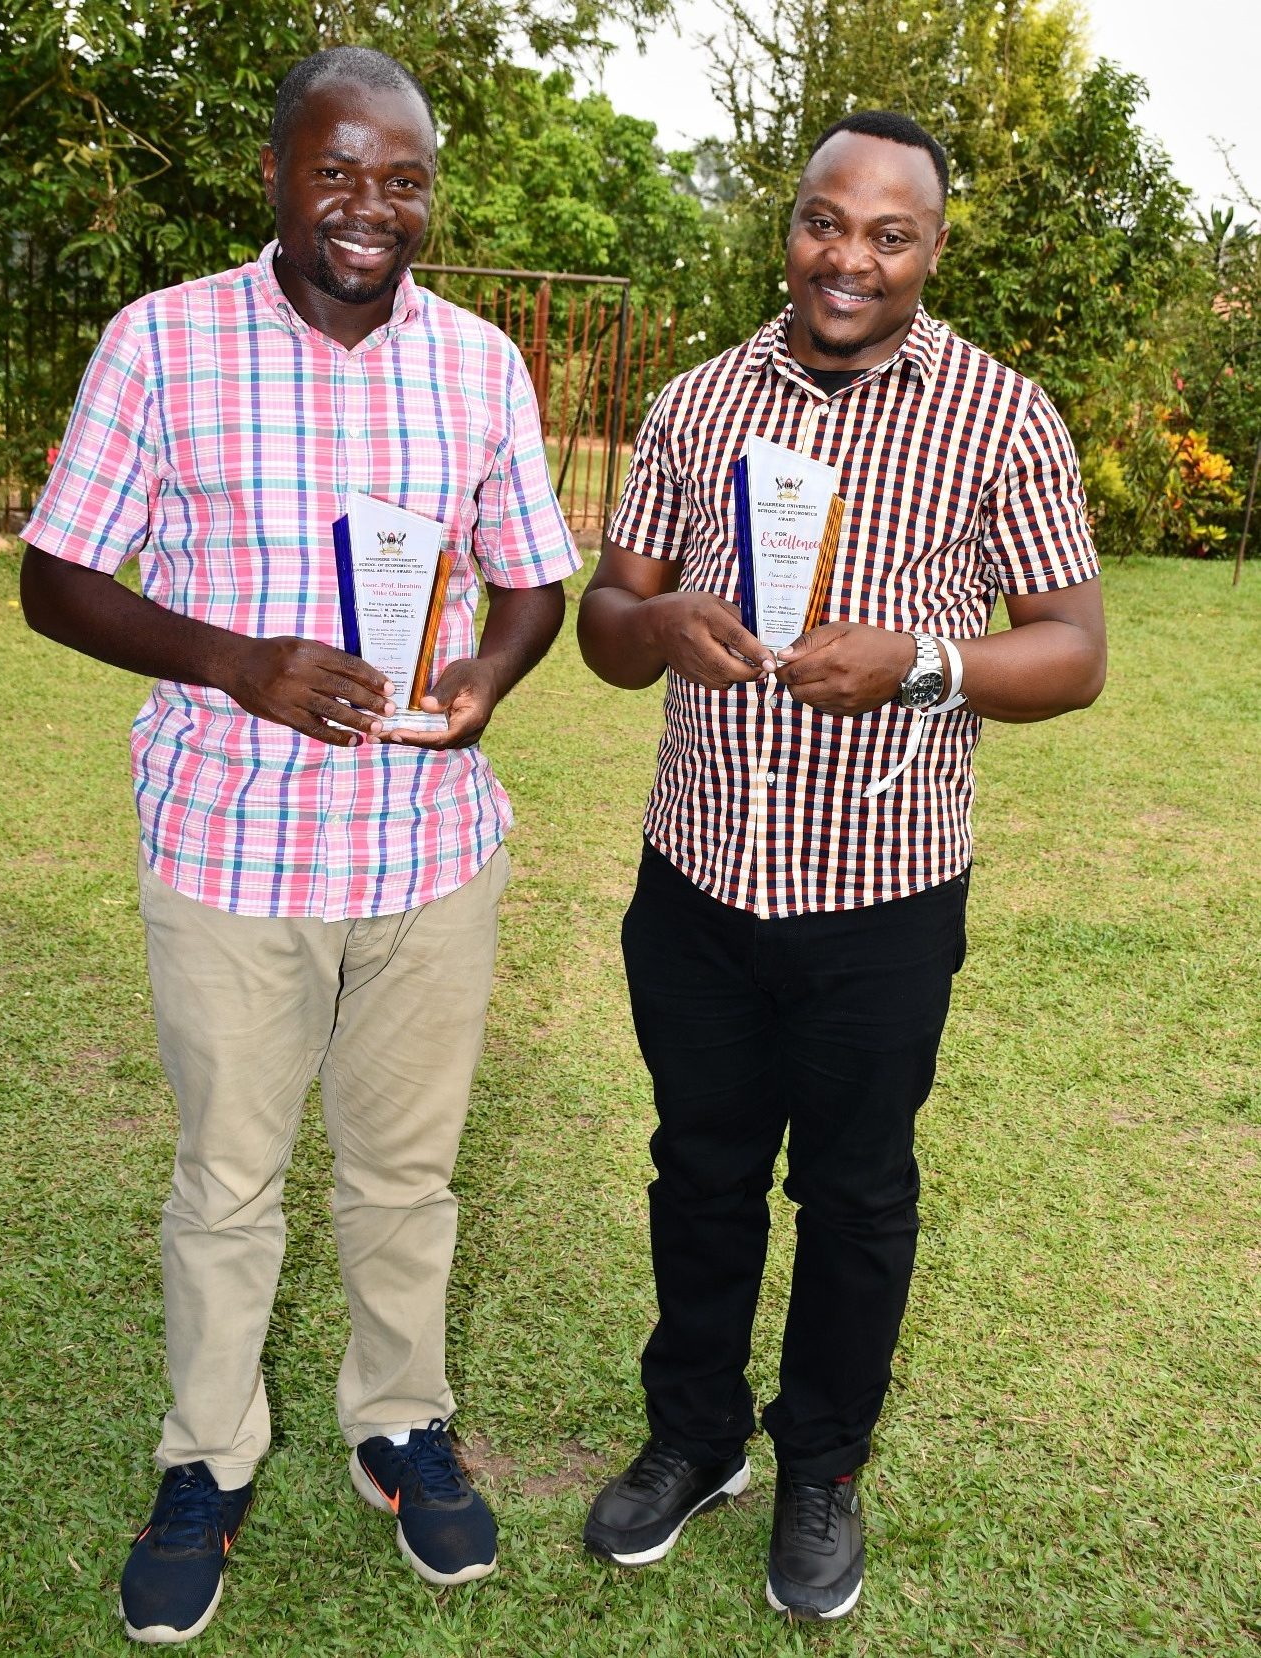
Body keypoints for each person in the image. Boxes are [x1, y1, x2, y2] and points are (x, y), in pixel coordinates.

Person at [20, 46, 579, 1646]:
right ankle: (207, 1454)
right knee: (229, 1181)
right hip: (231, 847)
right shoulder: (164, 342)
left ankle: (400, 1420)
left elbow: (533, 576)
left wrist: (490, 673)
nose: (369, 207)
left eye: (402, 179)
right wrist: (236, 660)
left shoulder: (478, 366)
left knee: (405, 1175)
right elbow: (55, 579)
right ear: (276, 176)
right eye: (338, 170)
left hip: (426, 849)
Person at [577, 110, 1106, 1623]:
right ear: (788, 226)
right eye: (826, 221)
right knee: (702, 1166)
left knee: (861, 1192)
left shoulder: (1000, 415)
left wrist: (925, 661)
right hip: (699, 879)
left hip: (884, 892)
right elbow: (611, 625)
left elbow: (1073, 652)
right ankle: (694, 1438)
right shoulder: (695, 404)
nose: (849, 258)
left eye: (889, 233)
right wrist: (664, 623)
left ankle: (821, 1464)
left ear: (934, 249)